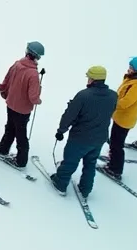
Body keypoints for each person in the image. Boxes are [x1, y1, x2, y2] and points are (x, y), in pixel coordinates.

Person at [51, 66, 119, 197]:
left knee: (70, 161)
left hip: (80, 137)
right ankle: (86, 188)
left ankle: (61, 182)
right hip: (99, 138)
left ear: (93, 79)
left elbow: (70, 115)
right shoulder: (113, 95)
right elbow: (109, 112)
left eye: (89, 77)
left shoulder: (83, 95)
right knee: (90, 163)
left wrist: (61, 130)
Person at [0, 41, 44, 169]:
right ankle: (21, 161)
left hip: (11, 103)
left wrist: (3, 89)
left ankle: (3, 148)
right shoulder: (33, 74)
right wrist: (38, 100)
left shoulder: (17, 64)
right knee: (21, 134)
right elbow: (33, 97)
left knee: (10, 126)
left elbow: (7, 79)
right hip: (23, 109)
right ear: (37, 57)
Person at [102, 57, 137, 180]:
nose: (128, 69)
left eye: (131, 68)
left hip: (124, 118)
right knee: (114, 141)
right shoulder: (134, 79)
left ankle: (115, 169)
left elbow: (125, 102)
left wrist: (110, 103)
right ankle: (113, 158)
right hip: (120, 116)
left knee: (117, 144)